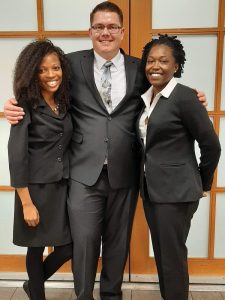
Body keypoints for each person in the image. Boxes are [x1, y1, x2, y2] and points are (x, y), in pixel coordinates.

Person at [4, 2, 208, 300]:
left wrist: (194, 95)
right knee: (84, 243)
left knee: (117, 243)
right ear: (90, 31)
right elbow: (42, 82)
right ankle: (84, 296)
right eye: (99, 26)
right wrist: (14, 103)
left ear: (122, 31)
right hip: (83, 172)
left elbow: (165, 91)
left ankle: (111, 295)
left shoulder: (141, 69)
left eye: (112, 26)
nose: (106, 32)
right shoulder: (70, 64)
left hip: (126, 172)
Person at [138, 34, 221, 300]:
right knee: (164, 254)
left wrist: (202, 183)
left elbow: (212, 145)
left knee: (171, 257)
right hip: (153, 191)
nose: (155, 66)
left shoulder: (185, 97)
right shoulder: (148, 96)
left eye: (164, 61)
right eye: (150, 60)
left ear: (176, 66)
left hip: (176, 192)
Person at [8, 39, 73, 300]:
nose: (50, 75)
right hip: (33, 190)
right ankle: (37, 294)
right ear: (31, 72)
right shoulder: (23, 107)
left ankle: (33, 284)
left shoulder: (66, 103)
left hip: (62, 187)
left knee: (69, 247)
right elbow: (16, 156)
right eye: (42, 70)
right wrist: (26, 203)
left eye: (55, 68)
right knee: (35, 248)